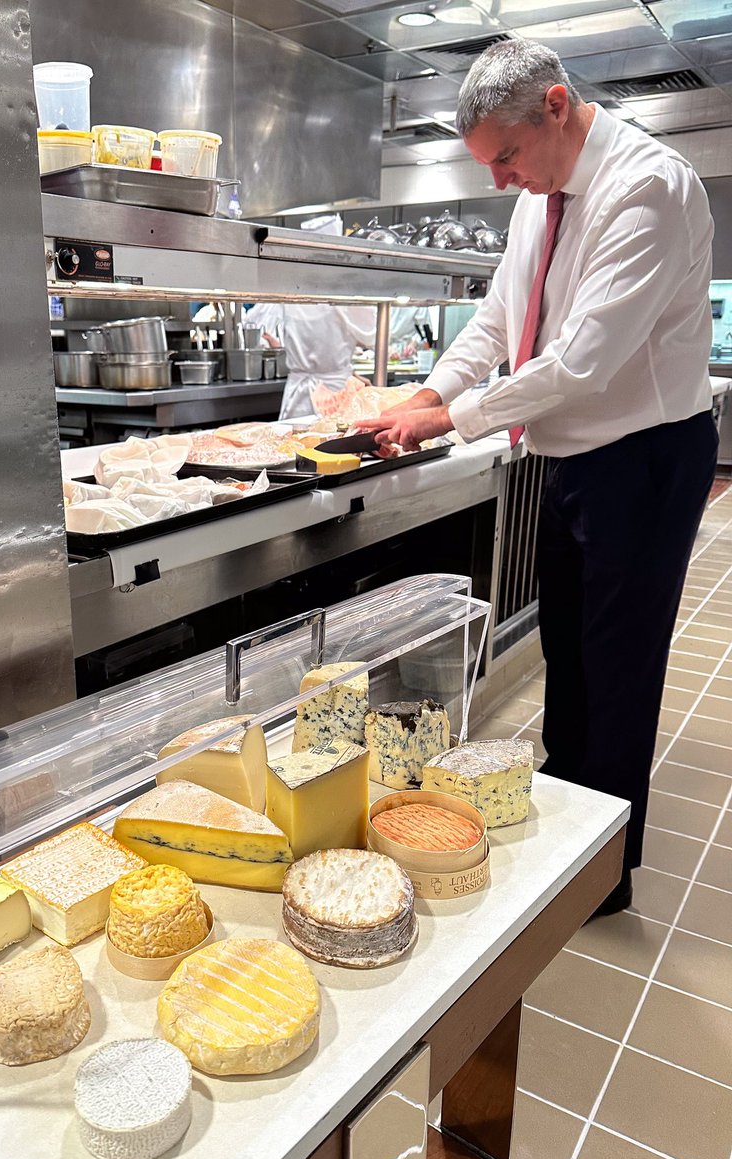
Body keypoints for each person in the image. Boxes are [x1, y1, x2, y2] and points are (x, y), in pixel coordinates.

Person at [358, 40, 718, 917]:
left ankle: (604, 874)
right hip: (567, 454)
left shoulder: (649, 187)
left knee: (619, 665)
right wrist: (426, 392)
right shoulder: (540, 193)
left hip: (644, 457)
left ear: (556, 105)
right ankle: (571, 815)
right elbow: (498, 317)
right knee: (568, 648)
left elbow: (584, 360)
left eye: (505, 158)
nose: (501, 181)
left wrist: (455, 419)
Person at [246, 302, 376, 420]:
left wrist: (350, 374)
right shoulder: (345, 295)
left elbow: (252, 323)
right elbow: (371, 337)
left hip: (316, 392)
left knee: (301, 440)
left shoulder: (291, 294)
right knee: (328, 440)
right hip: (330, 387)